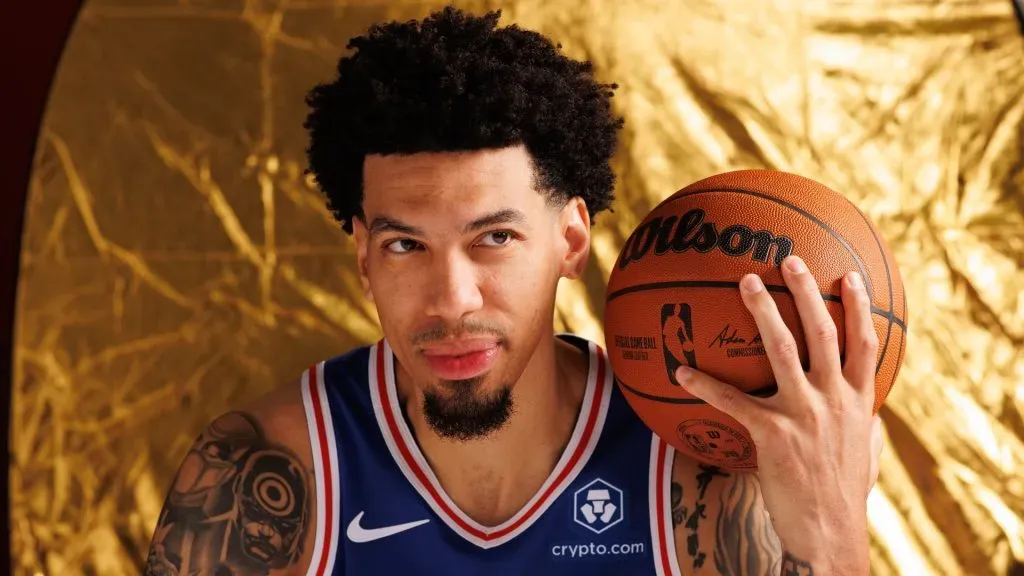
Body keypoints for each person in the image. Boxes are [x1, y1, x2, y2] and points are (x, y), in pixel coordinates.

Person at [143, 7, 883, 575]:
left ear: (570, 242)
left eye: (493, 238)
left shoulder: (699, 474)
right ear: (364, 256)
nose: (452, 299)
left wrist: (835, 534)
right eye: (407, 246)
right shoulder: (270, 472)